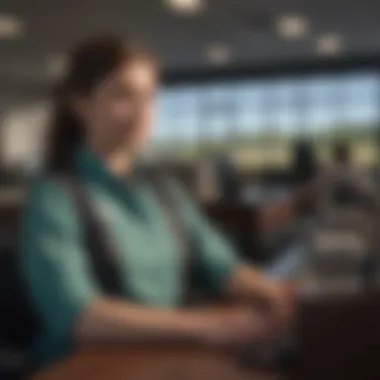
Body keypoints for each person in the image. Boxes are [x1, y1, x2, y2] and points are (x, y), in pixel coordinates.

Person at [19, 35, 292, 368]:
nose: (141, 111)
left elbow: (221, 266)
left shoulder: (165, 191)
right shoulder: (55, 198)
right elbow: (79, 316)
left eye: (149, 97)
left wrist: (273, 294)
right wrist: (212, 326)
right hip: (84, 366)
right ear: (80, 103)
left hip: (162, 357)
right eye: (123, 95)